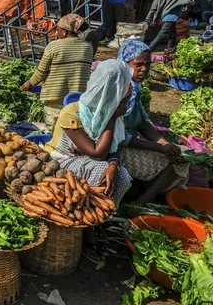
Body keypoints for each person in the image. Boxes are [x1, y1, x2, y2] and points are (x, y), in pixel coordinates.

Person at [45, 60, 134, 205]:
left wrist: (114, 164)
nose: (128, 90)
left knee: (121, 175)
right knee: (102, 172)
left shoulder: (116, 110)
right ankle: (90, 214)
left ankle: (104, 214)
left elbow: (115, 146)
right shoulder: (72, 113)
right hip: (62, 160)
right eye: (124, 86)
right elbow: (97, 153)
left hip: (94, 160)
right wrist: (112, 117)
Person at [116, 40, 188, 203]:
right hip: (119, 149)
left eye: (148, 64)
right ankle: (143, 201)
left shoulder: (135, 88)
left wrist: (163, 144)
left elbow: (142, 124)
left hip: (133, 143)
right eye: (138, 64)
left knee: (181, 155)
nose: (144, 69)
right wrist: (159, 148)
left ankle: (146, 195)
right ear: (124, 64)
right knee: (177, 160)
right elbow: (120, 136)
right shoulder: (120, 90)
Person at [22, 14, 94, 125]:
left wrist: (29, 83)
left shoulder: (54, 46)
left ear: (65, 32)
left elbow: (41, 73)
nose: (57, 33)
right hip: (76, 99)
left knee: (55, 128)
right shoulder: (88, 47)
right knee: (73, 129)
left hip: (55, 98)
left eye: (58, 30)